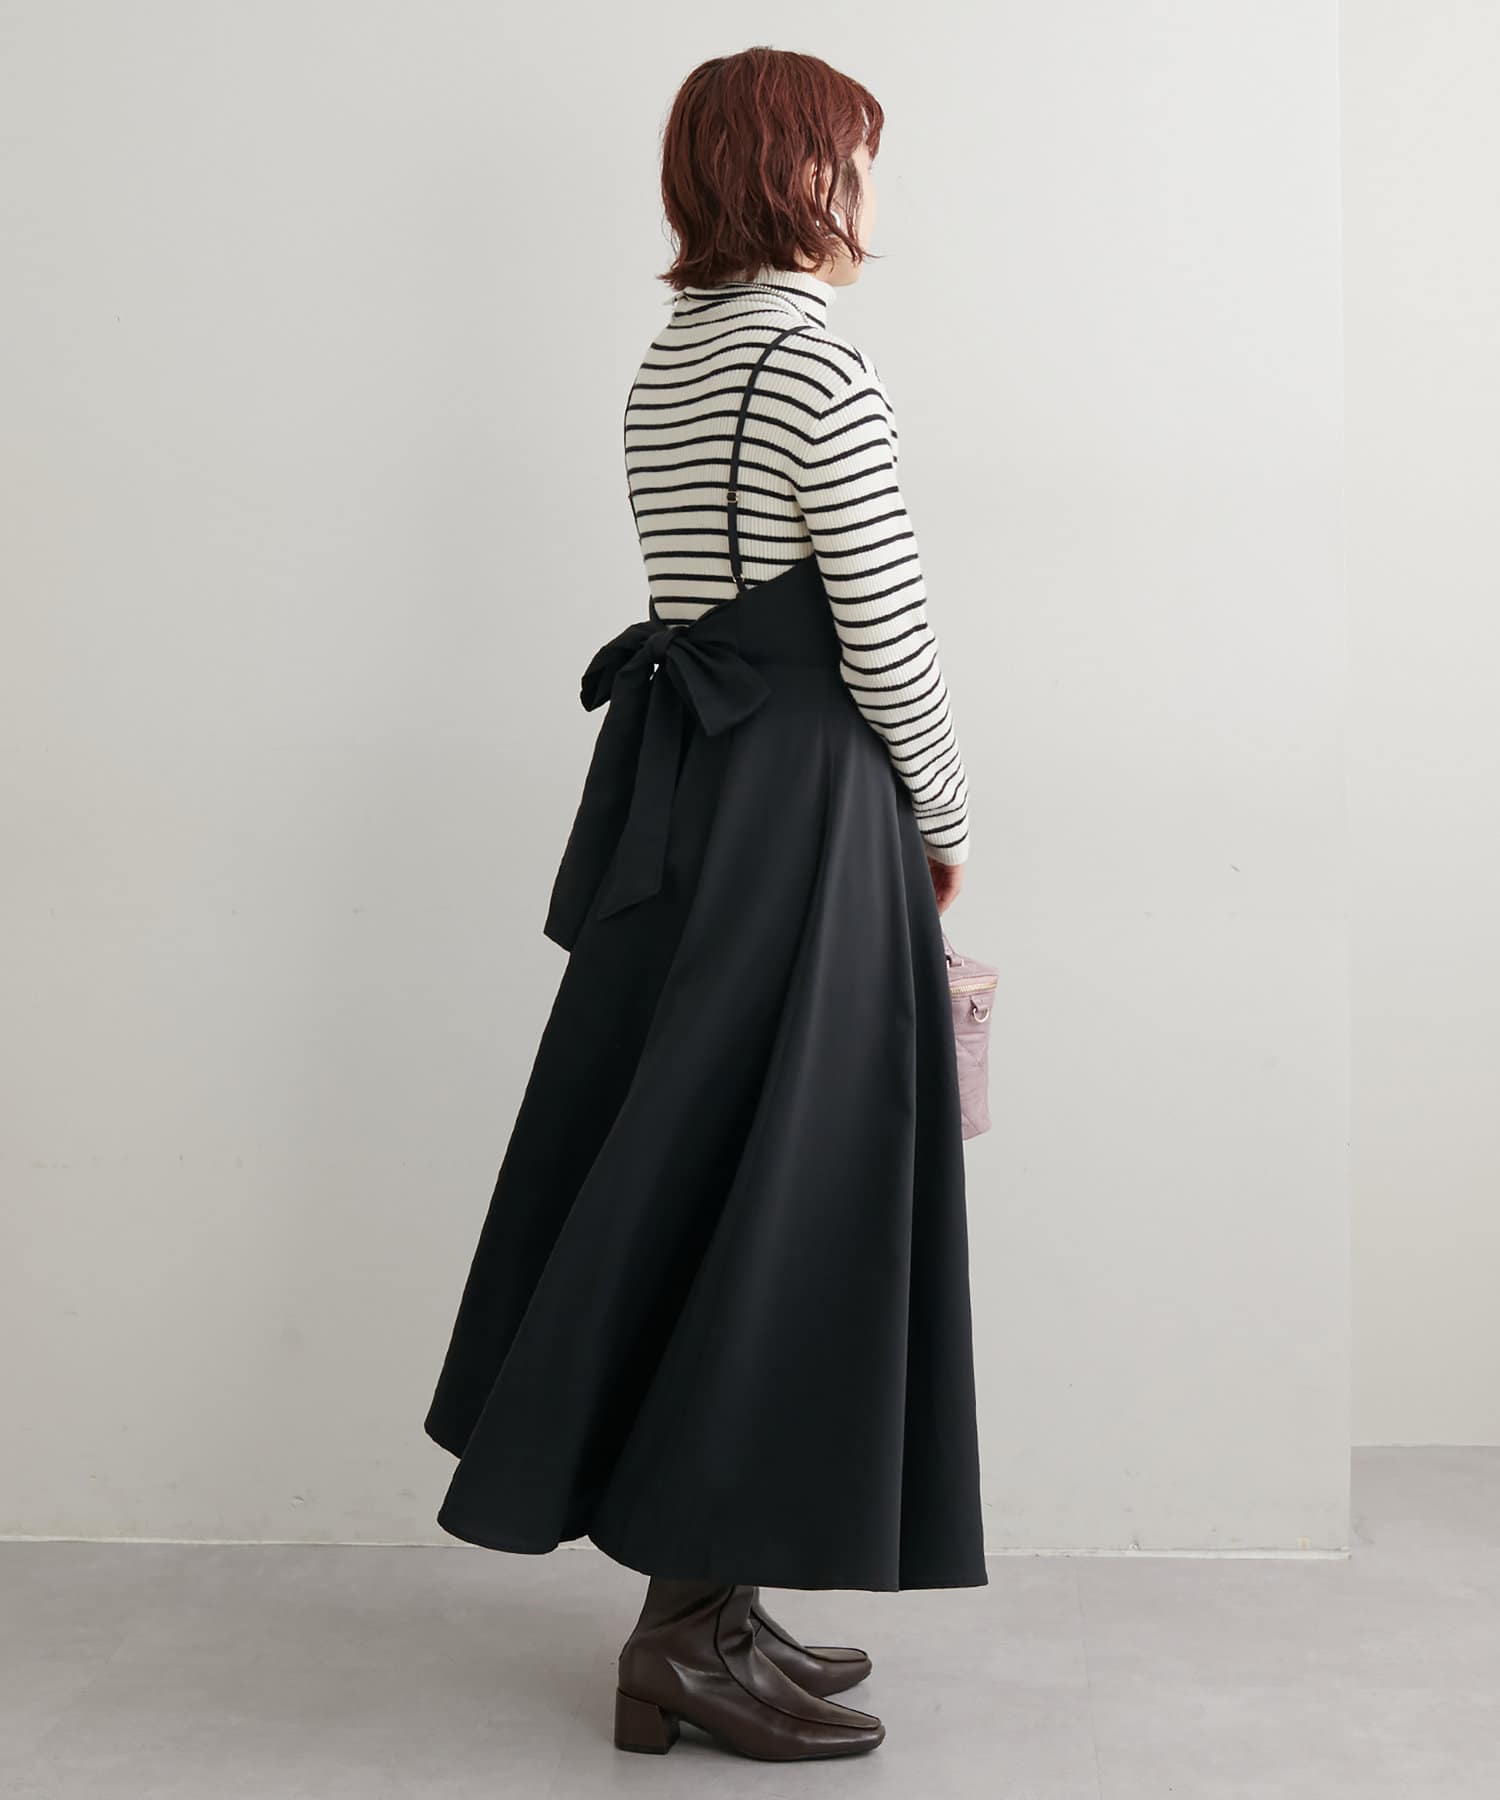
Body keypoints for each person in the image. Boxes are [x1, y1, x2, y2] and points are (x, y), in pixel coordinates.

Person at [423, 45, 985, 1763]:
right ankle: (683, 1637)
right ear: (803, 173)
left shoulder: (674, 354)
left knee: (698, 1162)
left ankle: (716, 1607)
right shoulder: (816, 359)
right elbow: (884, 626)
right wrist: (947, 813)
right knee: (785, 1189)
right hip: (806, 803)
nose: (876, 193)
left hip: (695, 796)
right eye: (859, 158)